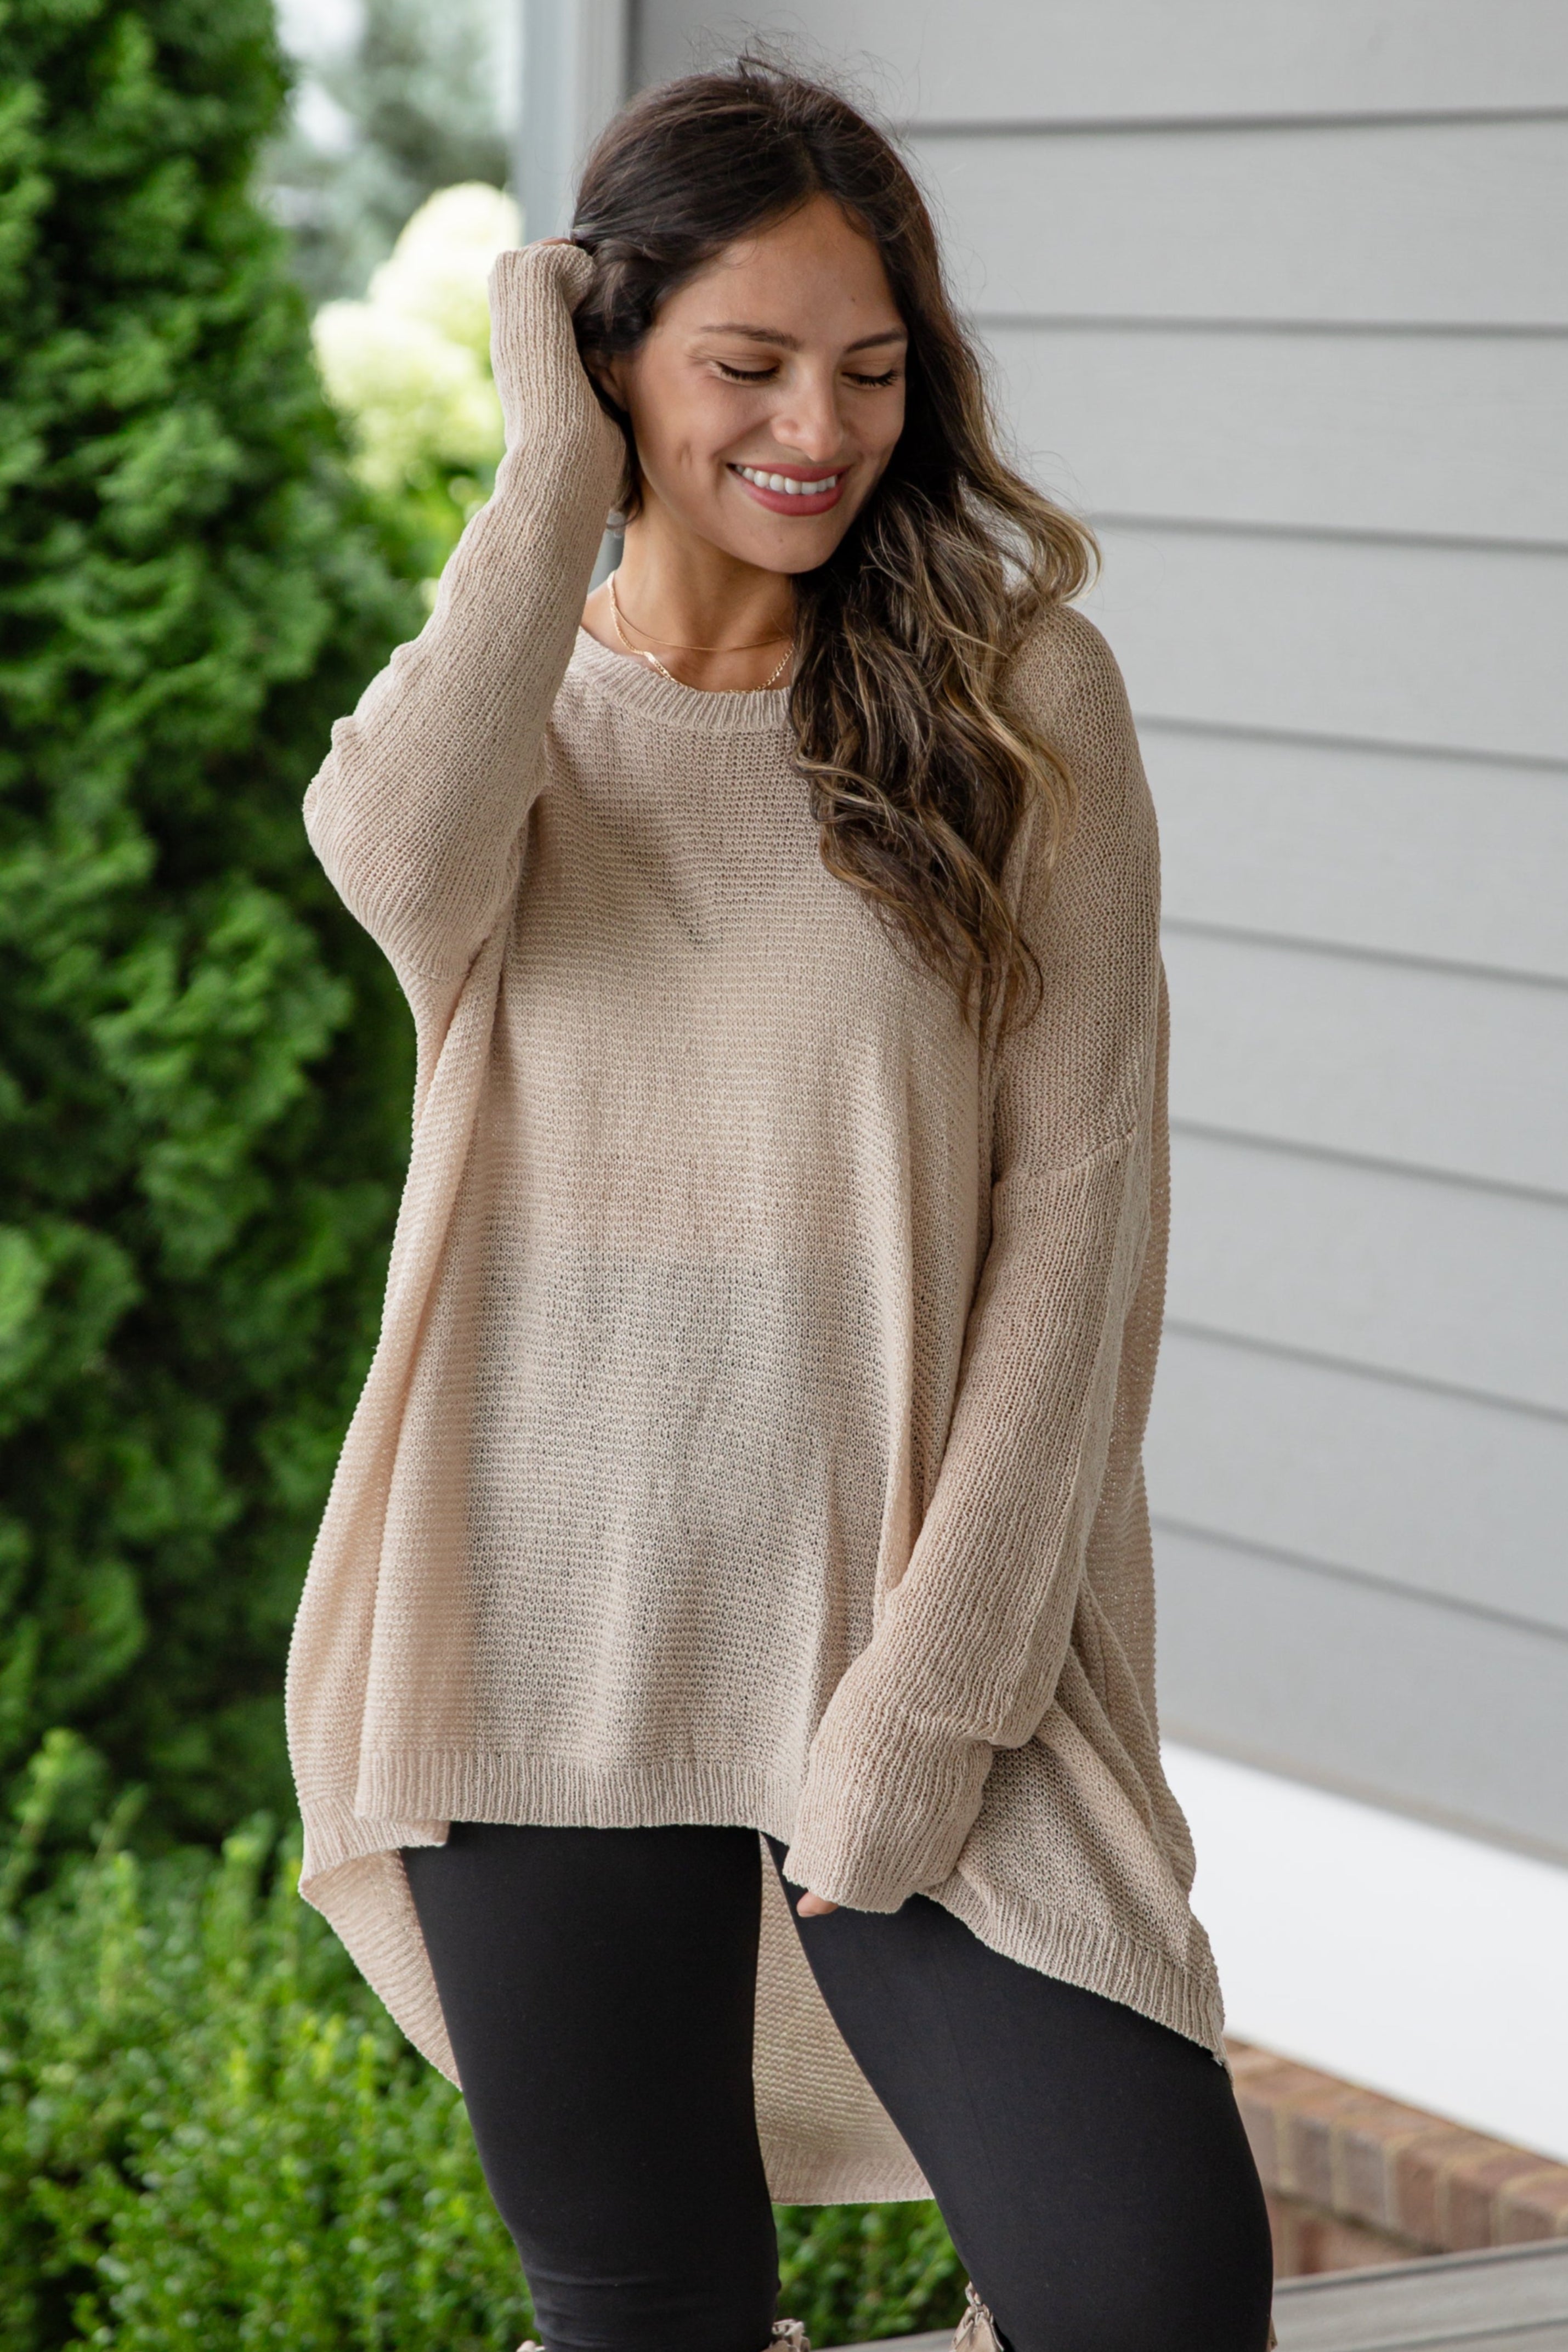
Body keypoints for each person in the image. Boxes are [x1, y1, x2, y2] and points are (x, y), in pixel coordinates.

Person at [285, 56, 1276, 2352]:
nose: (813, 429)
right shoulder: (505, 715)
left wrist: (929, 1695)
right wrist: (549, 472)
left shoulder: (1020, 696)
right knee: (641, 2308)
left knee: (1147, 2292)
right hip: (545, 1607)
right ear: (613, 350)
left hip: (916, 1607)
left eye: (869, 365)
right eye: (741, 365)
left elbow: (1082, 1217)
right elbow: (389, 865)